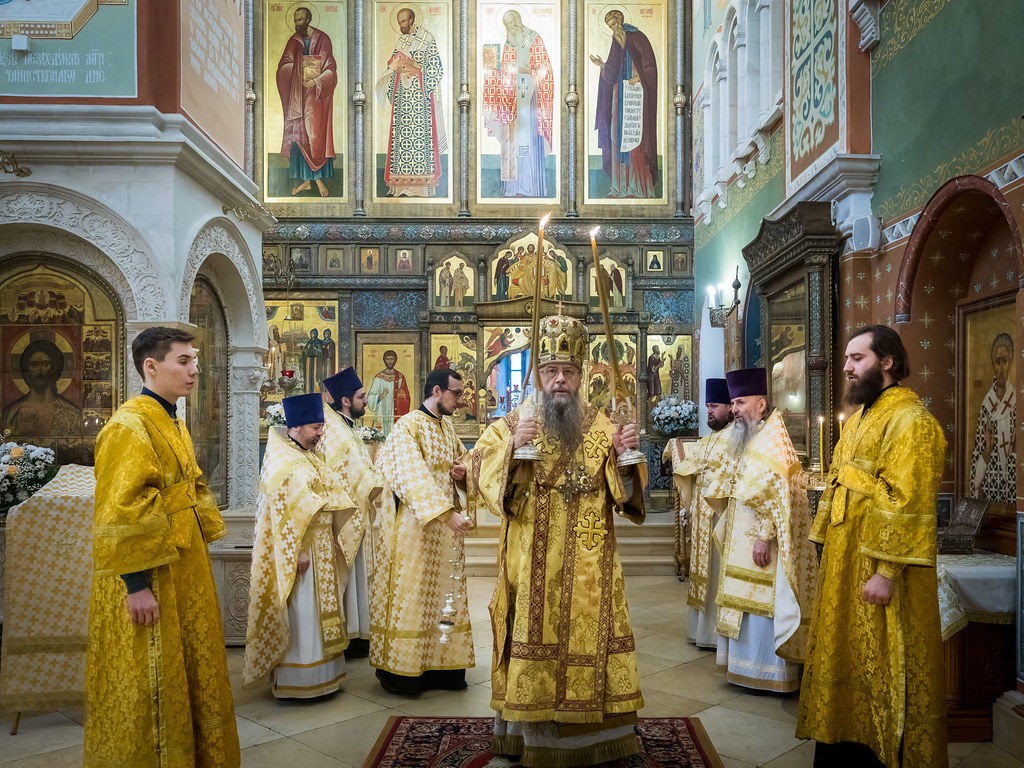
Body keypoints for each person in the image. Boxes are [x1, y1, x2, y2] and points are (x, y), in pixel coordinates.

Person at [461, 313, 647, 767]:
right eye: (550, 371)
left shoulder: (604, 427)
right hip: (532, 564)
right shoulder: (512, 423)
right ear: (538, 375)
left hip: (590, 565)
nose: (560, 379)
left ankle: (592, 738)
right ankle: (532, 734)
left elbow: (626, 497)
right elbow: (474, 469)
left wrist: (626, 457)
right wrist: (511, 449)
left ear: (582, 376)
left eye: (568, 371)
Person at [84, 326, 239, 767]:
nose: (194, 370)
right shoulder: (128, 426)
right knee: (153, 675)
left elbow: (190, 485)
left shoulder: (171, 419)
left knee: (189, 664)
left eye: (195, 361)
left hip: (183, 563)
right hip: (152, 573)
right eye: (184, 361)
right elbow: (122, 510)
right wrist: (136, 585)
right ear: (151, 366)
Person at [796, 326, 949, 768]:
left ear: (887, 362)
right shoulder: (862, 416)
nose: (847, 367)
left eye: (857, 358)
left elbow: (907, 500)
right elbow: (840, 484)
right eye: (846, 358)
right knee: (849, 656)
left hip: (882, 572)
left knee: (885, 664)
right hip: (847, 564)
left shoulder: (912, 421)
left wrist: (887, 573)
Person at [244, 393, 357, 698]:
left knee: (322, 613)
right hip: (301, 553)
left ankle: (328, 675)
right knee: (304, 613)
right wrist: (296, 551)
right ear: (295, 426)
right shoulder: (284, 463)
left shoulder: (309, 456)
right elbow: (281, 517)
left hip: (322, 547)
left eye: (321, 426)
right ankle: (301, 680)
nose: (321, 433)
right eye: (315, 427)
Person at [715, 367, 818, 692]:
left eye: (740, 402)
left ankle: (768, 674)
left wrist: (764, 536)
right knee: (744, 601)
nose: (734, 409)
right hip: (744, 536)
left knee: (763, 602)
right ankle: (744, 668)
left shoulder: (773, 441)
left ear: (760, 405)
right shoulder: (754, 435)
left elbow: (777, 495)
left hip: (762, 543)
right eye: (733, 403)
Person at [370, 368, 472, 696]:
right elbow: (410, 477)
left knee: (444, 597)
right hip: (414, 532)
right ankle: (405, 672)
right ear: (437, 391)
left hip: (444, 534)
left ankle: (443, 666)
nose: (461, 400)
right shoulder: (408, 427)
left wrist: (463, 473)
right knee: (413, 597)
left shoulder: (447, 427)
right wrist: (445, 514)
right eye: (456, 393)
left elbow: (464, 461)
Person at [662, 378, 734, 650]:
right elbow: (693, 464)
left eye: (714, 406)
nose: (709, 412)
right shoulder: (712, 437)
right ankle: (701, 631)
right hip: (703, 515)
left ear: (729, 407)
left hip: (719, 515)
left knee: (716, 574)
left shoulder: (736, 437)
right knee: (703, 572)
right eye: (707, 407)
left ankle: (715, 633)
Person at [319, 367, 384, 659]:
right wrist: (380, 483)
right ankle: (351, 636)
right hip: (345, 518)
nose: (366, 401)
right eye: (361, 396)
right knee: (349, 576)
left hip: (358, 514)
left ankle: (359, 633)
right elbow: (348, 473)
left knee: (360, 576)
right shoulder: (336, 430)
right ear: (345, 401)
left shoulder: (346, 426)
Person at [481, 10, 554, 198]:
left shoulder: (533, 38)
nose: (510, 28)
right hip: (511, 100)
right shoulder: (508, 43)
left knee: (526, 141)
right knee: (511, 142)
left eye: (512, 23)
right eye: (507, 25)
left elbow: (546, 69)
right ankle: (511, 189)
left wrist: (531, 71)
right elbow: (506, 72)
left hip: (529, 100)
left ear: (519, 20)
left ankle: (529, 187)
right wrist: (492, 71)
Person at [375, 7, 446, 197]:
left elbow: (436, 69)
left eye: (404, 21)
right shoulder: (402, 41)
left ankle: (420, 188)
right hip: (403, 99)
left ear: (412, 20)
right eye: (399, 22)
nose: (401, 25)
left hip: (420, 100)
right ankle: (401, 187)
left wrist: (417, 66)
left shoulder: (427, 38)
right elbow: (393, 65)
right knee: (402, 141)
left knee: (419, 141)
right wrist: (394, 68)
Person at [589, 10, 659, 198]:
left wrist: (641, 77)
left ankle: (637, 187)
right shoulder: (616, 41)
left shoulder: (638, 37)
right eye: (611, 26)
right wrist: (602, 66)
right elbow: (612, 72)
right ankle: (619, 188)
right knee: (616, 135)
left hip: (636, 96)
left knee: (635, 136)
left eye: (615, 24)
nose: (614, 28)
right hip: (618, 95)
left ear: (621, 20)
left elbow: (650, 66)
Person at [276, 6, 337, 197]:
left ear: (308, 20)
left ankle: (314, 180)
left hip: (316, 97)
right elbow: (283, 67)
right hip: (297, 95)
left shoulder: (323, 39)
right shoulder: (293, 41)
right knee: (298, 135)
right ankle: (311, 182)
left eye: (300, 20)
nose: (297, 24)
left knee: (314, 135)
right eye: (295, 20)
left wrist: (316, 81)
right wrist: (295, 71)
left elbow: (330, 69)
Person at [3, 337, 83, 448]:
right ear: (27, 370)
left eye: (45, 364)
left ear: (54, 368)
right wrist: (18, 431)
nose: (39, 371)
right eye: (34, 365)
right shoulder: (11, 414)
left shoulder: (72, 412)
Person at [969, 332, 1016, 505]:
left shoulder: (1016, 402)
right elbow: (977, 454)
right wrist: (988, 449)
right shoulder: (987, 405)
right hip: (990, 484)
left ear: (1011, 363)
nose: (1001, 368)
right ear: (993, 365)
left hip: (1012, 485)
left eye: (1005, 361)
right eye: (998, 362)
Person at [366, 349, 411, 436]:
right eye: (388, 359)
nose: (390, 361)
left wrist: (401, 397)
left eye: (392, 359)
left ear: (395, 360)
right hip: (381, 410)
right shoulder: (378, 377)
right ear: (384, 360)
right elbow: (370, 397)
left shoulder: (400, 377)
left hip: (395, 411)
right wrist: (380, 396)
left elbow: (406, 397)